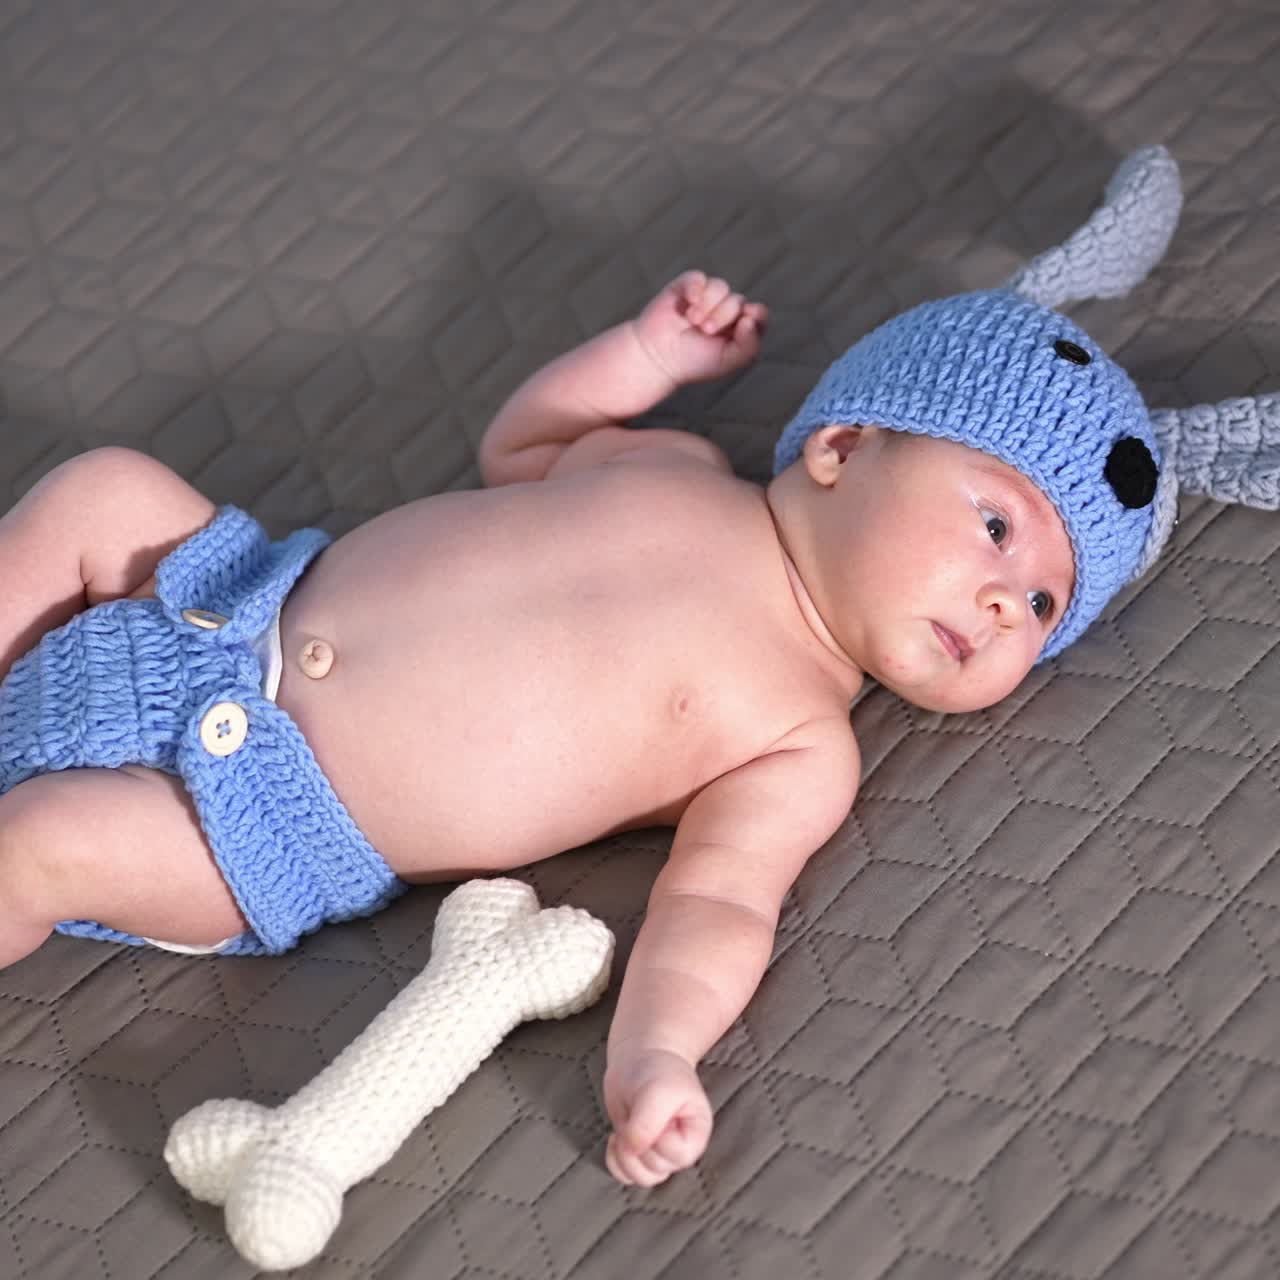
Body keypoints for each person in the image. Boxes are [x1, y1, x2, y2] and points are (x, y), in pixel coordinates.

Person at [1, 146, 1272, 1188]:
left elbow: (718, 908)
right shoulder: (666, 465)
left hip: (267, 819)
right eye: (996, 525)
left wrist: (657, 1052)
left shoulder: (795, 740)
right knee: (101, 491)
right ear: (840, 444)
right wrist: (646, 358)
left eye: (1042, 603)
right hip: (238, 592)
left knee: (41, 839)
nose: (1007, 598)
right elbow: (526, 442)